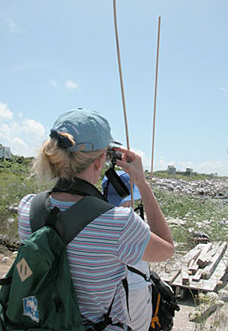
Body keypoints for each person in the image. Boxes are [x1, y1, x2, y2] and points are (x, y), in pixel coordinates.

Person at [18, 108, 174, 331]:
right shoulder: (119, 223)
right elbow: (167, 249)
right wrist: (141, 182)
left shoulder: (27, 208)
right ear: (100, 161)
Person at [102, 171, 152, 331]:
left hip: (109, 291)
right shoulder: (128, 221)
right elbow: (166, 250)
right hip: (134, 288)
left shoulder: (96, 216)